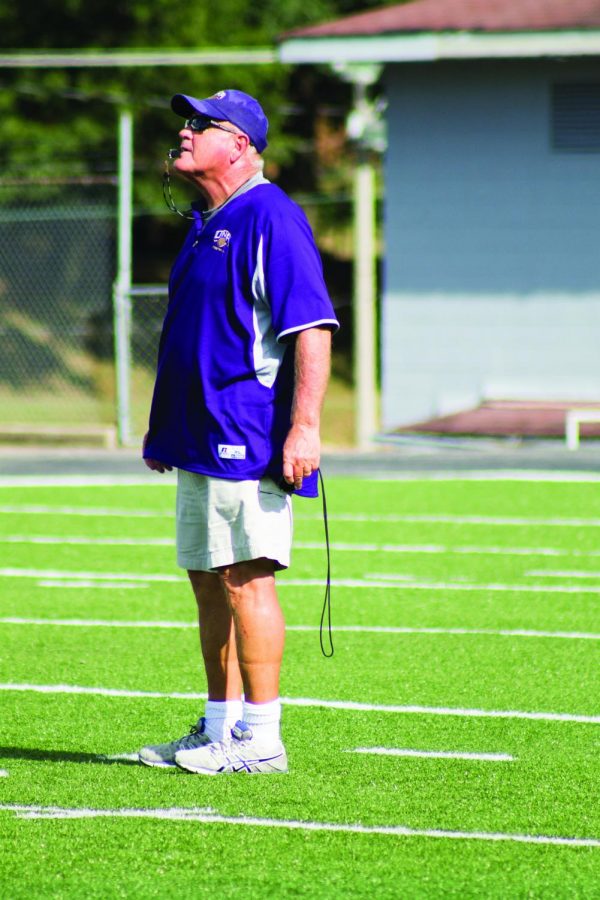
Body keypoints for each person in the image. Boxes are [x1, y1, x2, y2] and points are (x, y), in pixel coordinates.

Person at [138, 88, 339, 775]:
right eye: (185, 122)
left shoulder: (270, 217)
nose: (186, 133)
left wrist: (305, 428)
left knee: (246, 577)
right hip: (195, 435)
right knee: (205, 577)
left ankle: (262, 736)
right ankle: (217, 729)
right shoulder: (206, 220)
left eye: (203, 125)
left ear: (242, 146)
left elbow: (310, 328)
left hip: (245, 434)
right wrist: (164, 430)